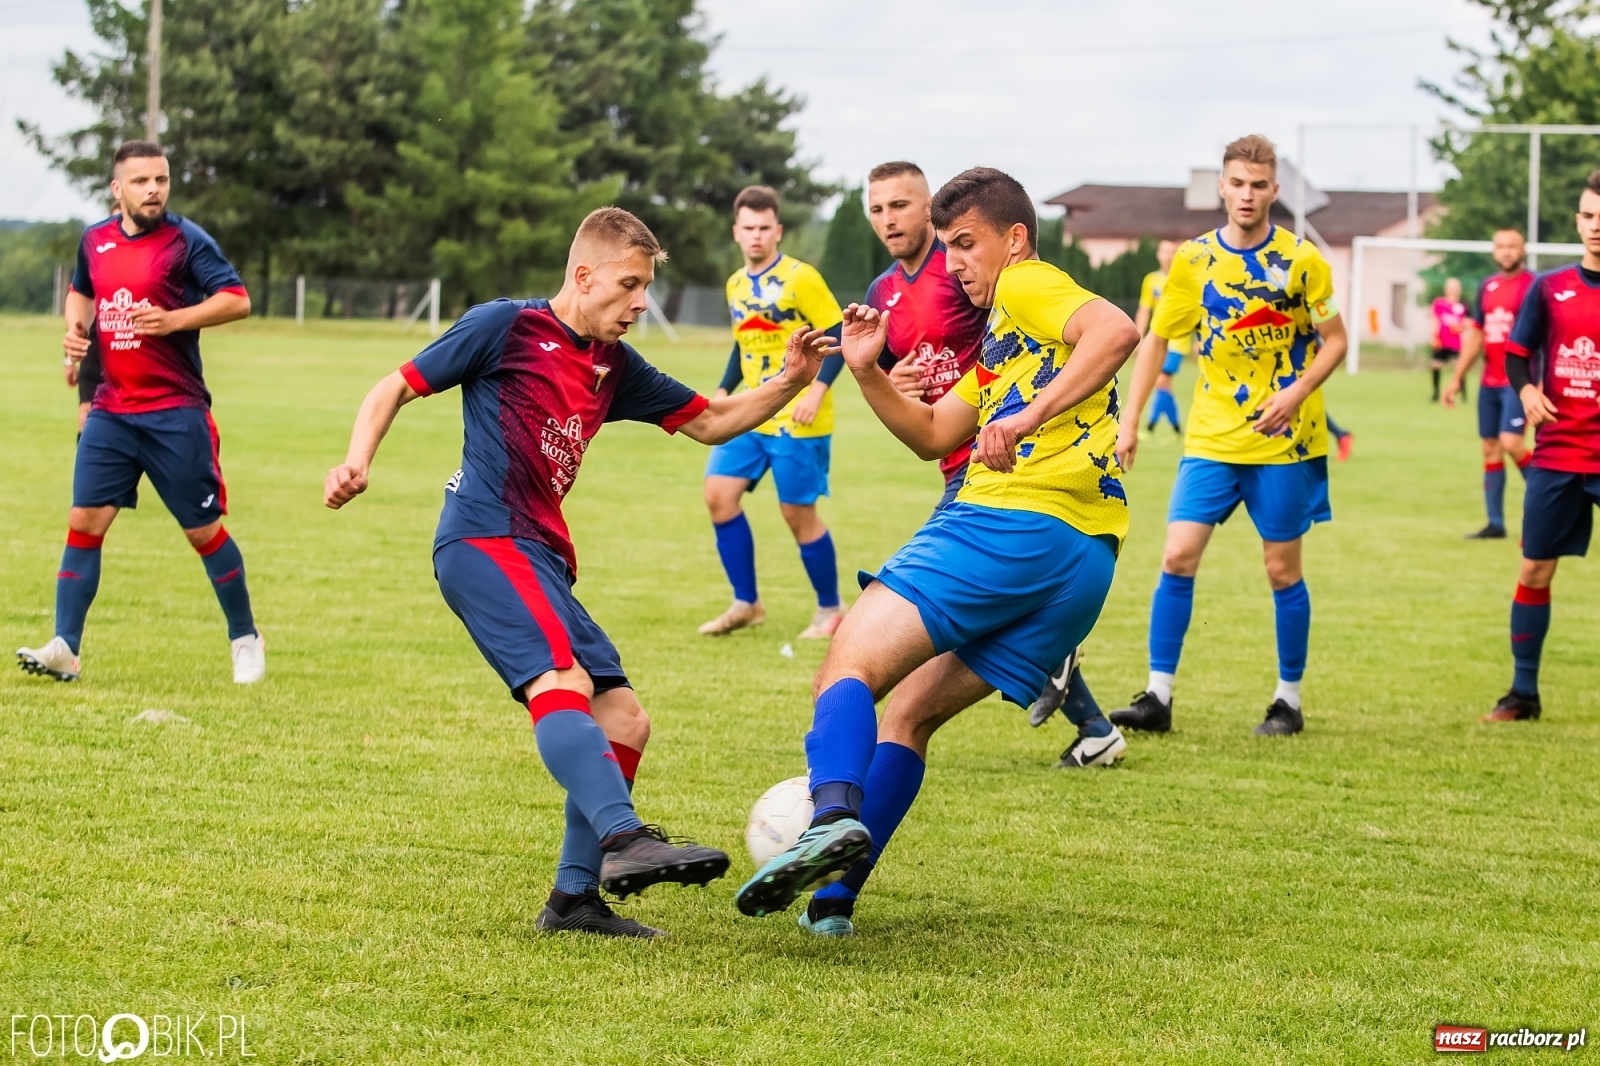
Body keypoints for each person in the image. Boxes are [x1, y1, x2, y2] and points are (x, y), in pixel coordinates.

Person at [325, 207, 835, 939]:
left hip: (541, 556)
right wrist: (357, 460)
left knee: (625, 718)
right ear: (583, 274)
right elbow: (393, 387)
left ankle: (573, 901)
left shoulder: (614, 366)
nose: (639, 304)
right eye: (629, 286)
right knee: (559, 684)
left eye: (646, 289)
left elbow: (712, 421)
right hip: (483, 538)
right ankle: (623, 841)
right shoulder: (505, 327)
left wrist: (792, 378)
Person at [732, 167, 1140, 933]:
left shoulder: (1026, 284)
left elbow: (1118, 330)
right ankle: (831, 902)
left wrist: (1028, 418)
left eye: (965, 244)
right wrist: (864, 371)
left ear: (1013, 240)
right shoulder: (1006, 340)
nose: (954, 262)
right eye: (947, 246)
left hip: (1011, 524)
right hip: (1085, 566)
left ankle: (828, 819)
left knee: (848, 664)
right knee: (909, 719)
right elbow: (932, 437)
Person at [1109, 135, 1349, 738]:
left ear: (1275, 190)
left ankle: (1287, 701)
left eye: (1259, 185)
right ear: (1222, 185)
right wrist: (1131, 421)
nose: (1247, 195)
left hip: (1285, 443)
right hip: (1212, 437)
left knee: (1281, 570)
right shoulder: (1191, 261)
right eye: (1237, 183)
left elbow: (1337, 340)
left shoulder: (1302, 261)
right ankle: (1157, 697)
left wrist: (1295, 393)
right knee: (1176, 555)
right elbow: (1157, 342)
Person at [16, 141, 262, 685]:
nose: (154, 189)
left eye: (161, 179)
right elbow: (82, 295)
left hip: (176, 410)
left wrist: (176, 320)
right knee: (84, 522)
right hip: (111, 410)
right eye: (142, 181)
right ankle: (66, 647)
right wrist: (74, 340)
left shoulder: (185, 241)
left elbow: (237, 299)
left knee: (202, 531)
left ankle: (244, 637)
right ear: (117, 189)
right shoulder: (95, 241)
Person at [700, 186, 847, 640]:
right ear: (736, 232)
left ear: (778, 230)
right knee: (718, 495)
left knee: (795, 513)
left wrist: (816, 391)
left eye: (765, 228)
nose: (757, 236)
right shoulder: (735, 284)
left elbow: (839, 333)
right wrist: (724, 390)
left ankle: (831, 609)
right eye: (749, 228)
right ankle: (747, 603)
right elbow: (742, 342)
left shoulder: (801, 278)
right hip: (751, 410)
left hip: (799, 417)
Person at [1481, 174, 1600, 723]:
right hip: (1556, 455)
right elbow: (1515, 353)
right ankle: (1522, 694)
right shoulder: (1550, 288)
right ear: (1577, 222)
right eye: (1588, 216)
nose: (1596, 227)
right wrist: (1527, 389)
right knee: (1534, 572)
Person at [1444, 229, 1536, 539]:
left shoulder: (1534, 286)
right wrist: (1457, 378)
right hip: (1489, 380)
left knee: (1512, 442)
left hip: (1520, 378)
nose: (1507, 251)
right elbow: (1477, 336)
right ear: (1494, 251)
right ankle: (1495, 523)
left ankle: (1546, 496)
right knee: (1491, 448)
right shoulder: (1487, 286)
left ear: (1523, 249)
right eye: (1501, 246)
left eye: (1512, 246)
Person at [1138, 239, 1189, 436]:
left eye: (1172, 252)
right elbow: (1144, 309)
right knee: (1164, 384)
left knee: (1161, 382)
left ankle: (1150, 425)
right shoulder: (1151, 280)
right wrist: (1139, 335)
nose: (1168, 255)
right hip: (1158, 340)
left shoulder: (1183, 279)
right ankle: (1176, 428)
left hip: (1178, 341)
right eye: (1164, 251)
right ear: (1158, 254)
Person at [1430, 279, 1469, 403]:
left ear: (1459, 290)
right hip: (1441, 341)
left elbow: (1469, 323)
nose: (1453, 290)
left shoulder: (1463, 305)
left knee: (1459, 367)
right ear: (1446, 289)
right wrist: (1434, 336)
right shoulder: (1439, 303)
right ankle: (1435, 394)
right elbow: (1435, 320)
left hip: (1456, 343)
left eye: (1455, 288)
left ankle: (1463, 396)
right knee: (1435, 365)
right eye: (1451, 288)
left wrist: (1461, 327)